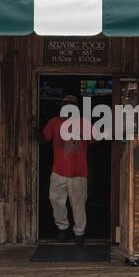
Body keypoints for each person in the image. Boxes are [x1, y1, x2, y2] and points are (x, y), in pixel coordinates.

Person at [41, 93, 90, 245]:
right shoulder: (54, 122)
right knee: (56, 200)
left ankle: (79, 232)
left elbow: (95, 139)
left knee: (79, 203)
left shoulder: (84, 122)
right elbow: (44, 138)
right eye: (65, 104)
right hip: (58, 170)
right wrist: (32, 128)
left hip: (79, 171)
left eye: (71, 104)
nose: (67, 107)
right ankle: (62, 228)